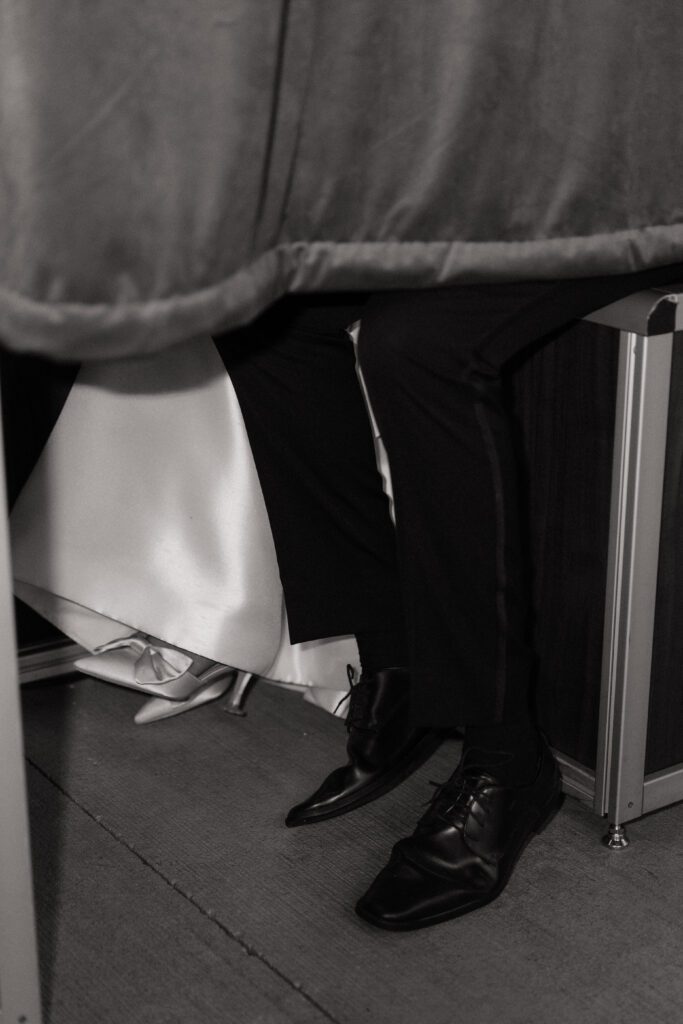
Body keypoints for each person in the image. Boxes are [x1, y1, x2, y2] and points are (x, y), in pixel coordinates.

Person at [216, 263, 683, 931]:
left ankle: (506, 758)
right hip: (511, 191)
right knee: (262, 314)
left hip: (635, 193)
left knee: (416, 341)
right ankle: (393, 659)